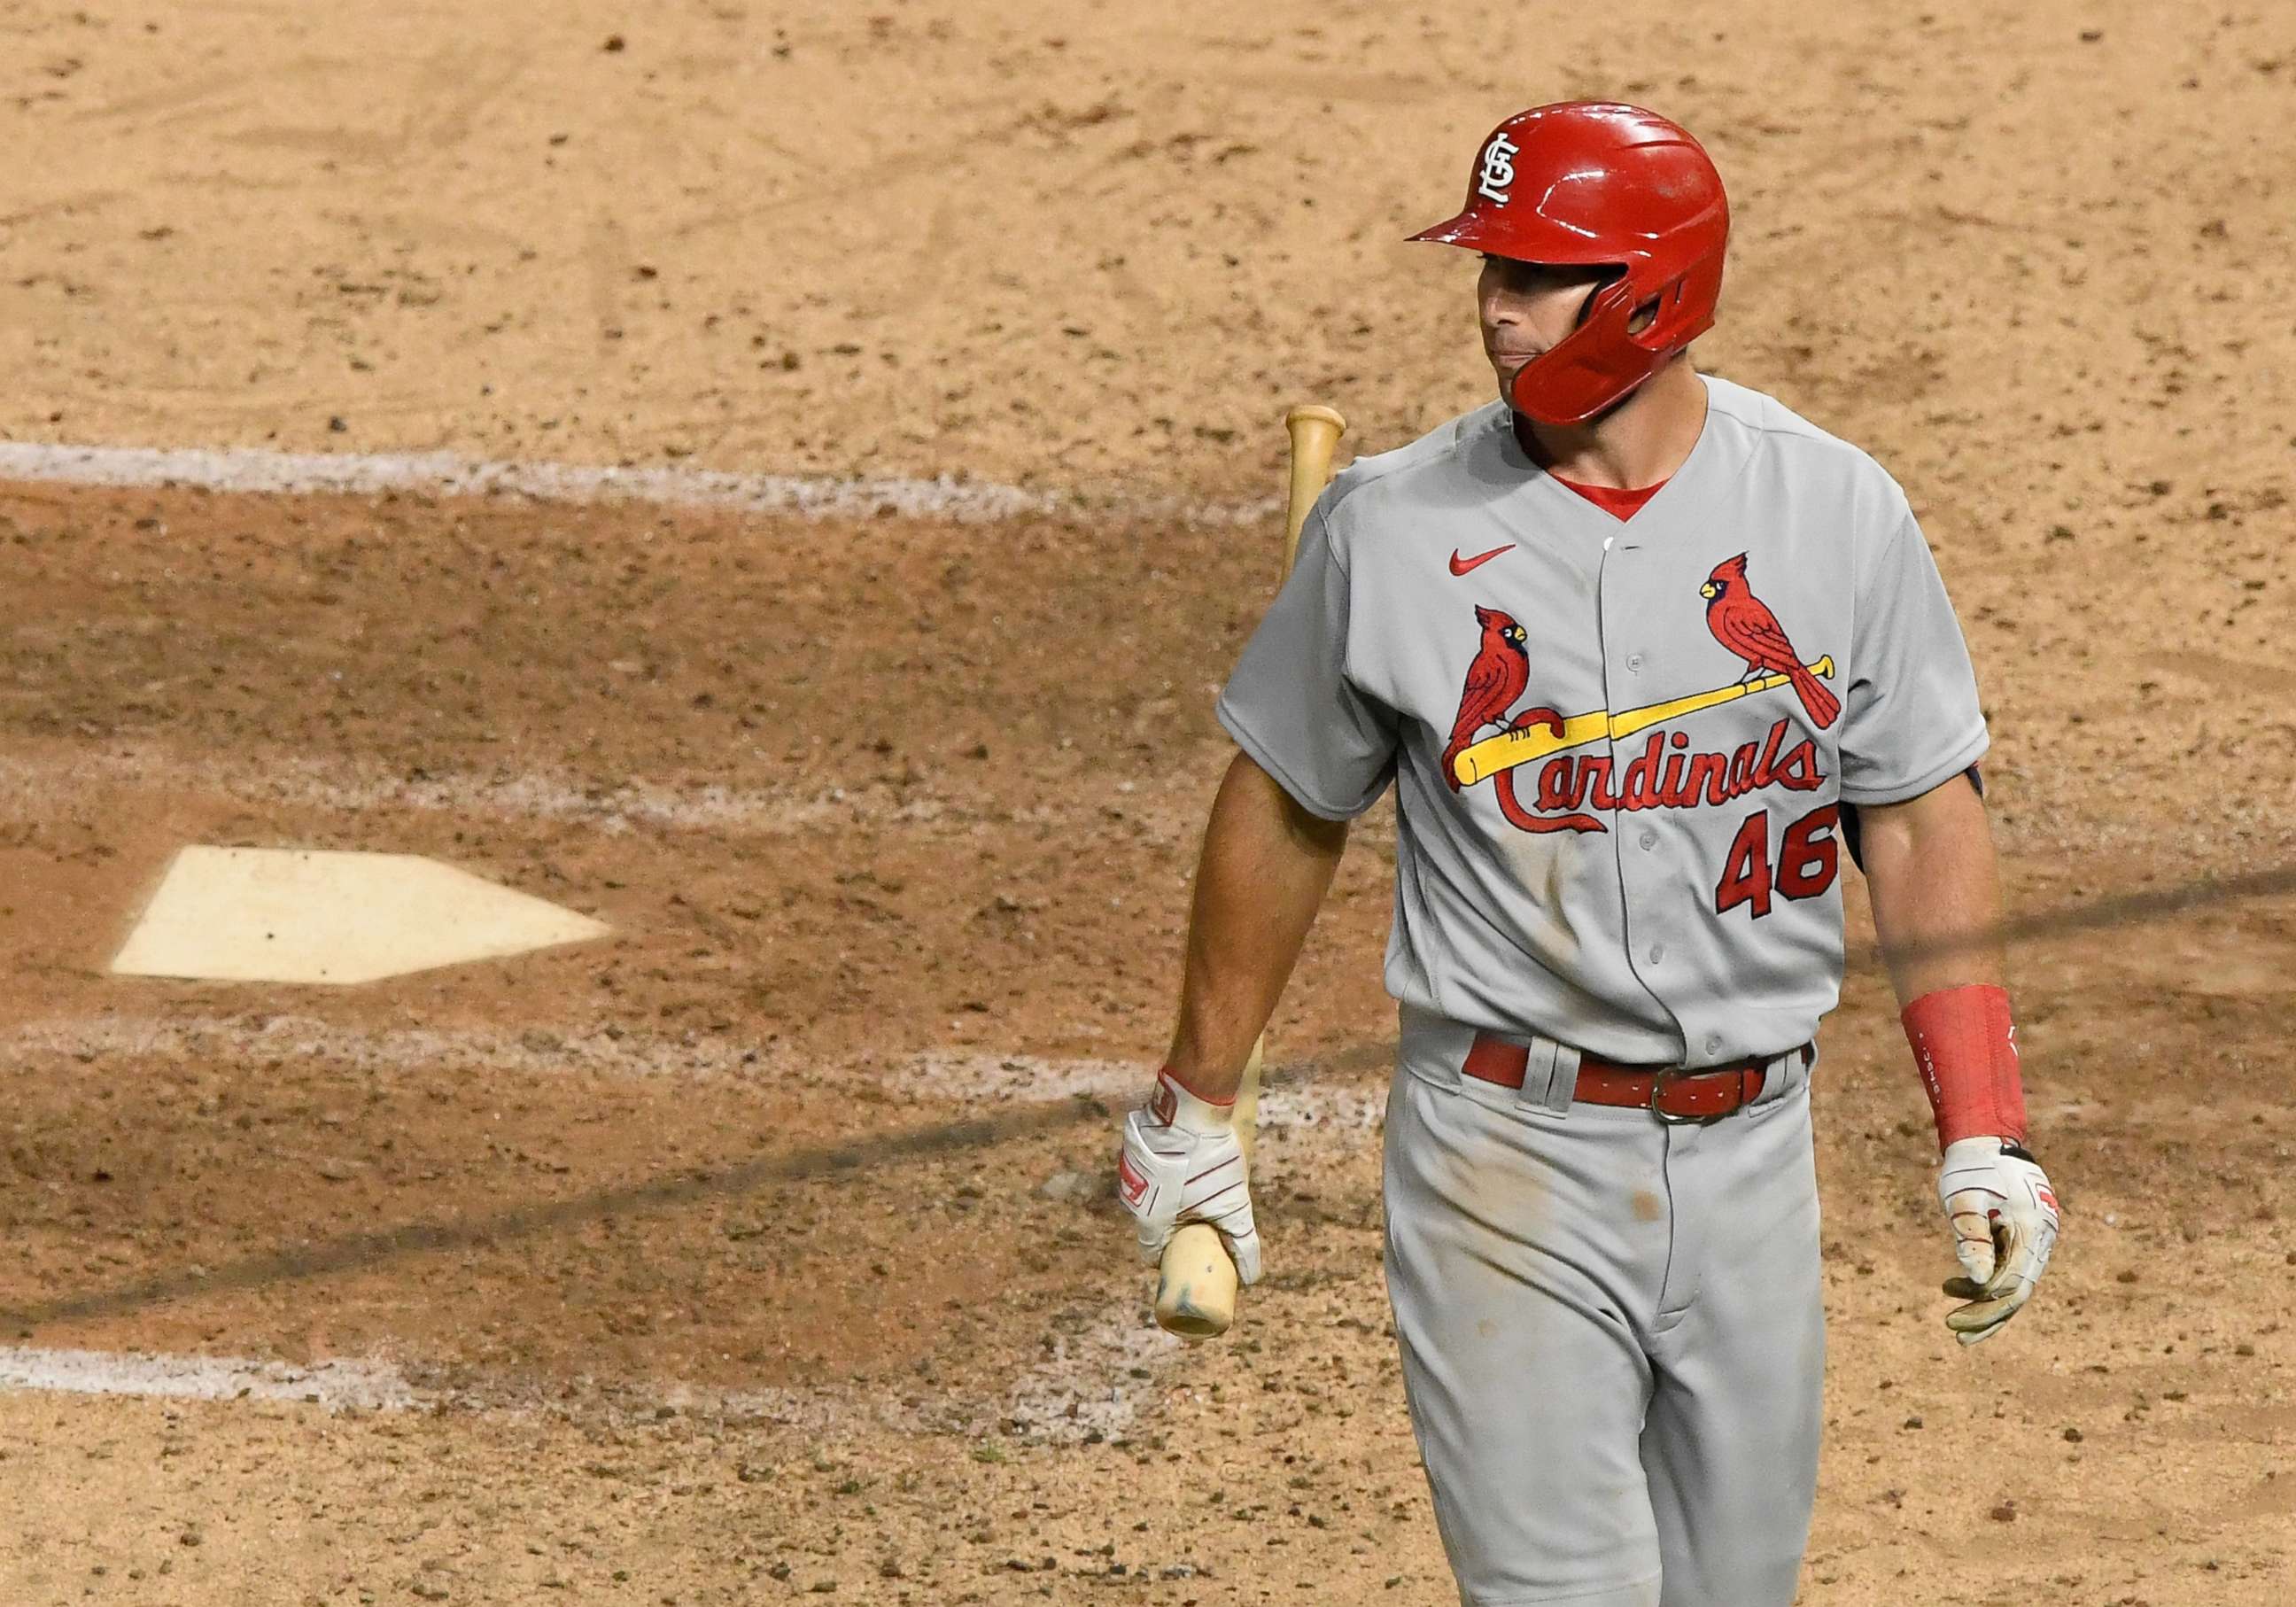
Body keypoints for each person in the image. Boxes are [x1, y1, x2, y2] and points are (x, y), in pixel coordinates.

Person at [1117, 102, 2060, 1606]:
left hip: (1759, 1159)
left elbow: (1919, 807)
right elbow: (1289, 801)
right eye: (1491, 265)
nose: (1496, 305)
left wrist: (1984, 1122)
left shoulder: (1835, 510)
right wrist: (1197, 1098)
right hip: (1510, 1157)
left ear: (1657, 287)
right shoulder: (1393, 529)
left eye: (1541, 274)